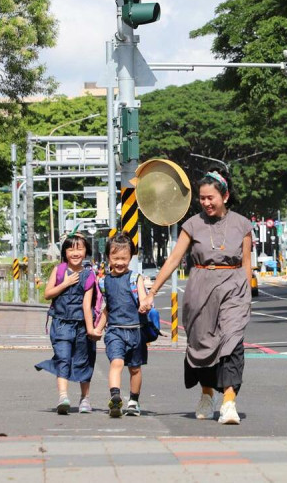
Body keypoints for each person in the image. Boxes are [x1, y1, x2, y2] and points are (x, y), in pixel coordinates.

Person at [141, 168, 253, 425]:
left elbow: (246, 264)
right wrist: (152, 292)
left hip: (234, 287)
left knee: (232, 343)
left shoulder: (243, 225)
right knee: (204, 345)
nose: (205, 202)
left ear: (224, 196)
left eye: (210, 197)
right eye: (202, 198)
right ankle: (206, 394)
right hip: (201, 288)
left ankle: (228, 402)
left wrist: (246, 296)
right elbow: (174, 259)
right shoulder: (192, 225)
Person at [35, 233, 101, 414]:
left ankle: (85, 398)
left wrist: (90, 330)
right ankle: (63, 397)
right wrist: (65, 283)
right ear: (64, 252)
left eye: (79, 248)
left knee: (84, 361)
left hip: (81, 325)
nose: (75, 252)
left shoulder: (89, 275)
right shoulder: (59, 270)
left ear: (86, 251)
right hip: (61, 323)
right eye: (71, 248)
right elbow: (47, 294)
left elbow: (87, 306)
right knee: (63, 358)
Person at [96, 232, 148, 418]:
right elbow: (107, 308)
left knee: (135, 368)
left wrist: (144, 304)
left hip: (136, 331)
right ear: (108, 257)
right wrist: (98, 329)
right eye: (115, 258)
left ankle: (134, 400)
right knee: (116, 363)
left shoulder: (136, 278)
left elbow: (143, 298)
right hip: (115, 331)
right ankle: (115, 397)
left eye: (124, 258)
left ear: (131, 257)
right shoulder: (104, 281)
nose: (119, 262)